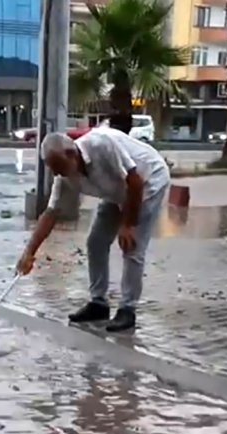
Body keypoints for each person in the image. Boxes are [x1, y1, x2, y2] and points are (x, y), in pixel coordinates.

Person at [17, 129, 170, 332]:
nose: (57, 174)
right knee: (96, 242)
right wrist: (29, 253)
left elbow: (135, 181)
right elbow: (51, 213)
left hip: (148, 181)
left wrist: (128, 224)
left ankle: (127, 310)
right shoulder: (64, 176)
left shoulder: (102, 145)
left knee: (131, 246)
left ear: (71, 154)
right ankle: (98, 303)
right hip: (116, 192)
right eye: (53, 169)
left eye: (59, 167)